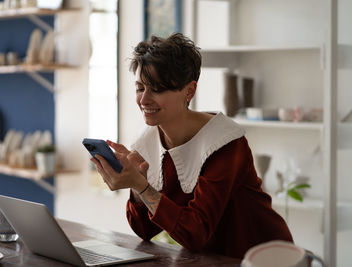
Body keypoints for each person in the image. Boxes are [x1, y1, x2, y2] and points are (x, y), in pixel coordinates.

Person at [90, 33, 293, 259]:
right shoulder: (147, 141)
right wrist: (137, 189)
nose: (144, 100)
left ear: (189, 91)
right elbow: (145, 231)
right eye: (140, 88)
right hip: (212, 260)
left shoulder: (224, 142)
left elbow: (196, 233)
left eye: (156, 89)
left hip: (264, 258)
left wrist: (143, 187)